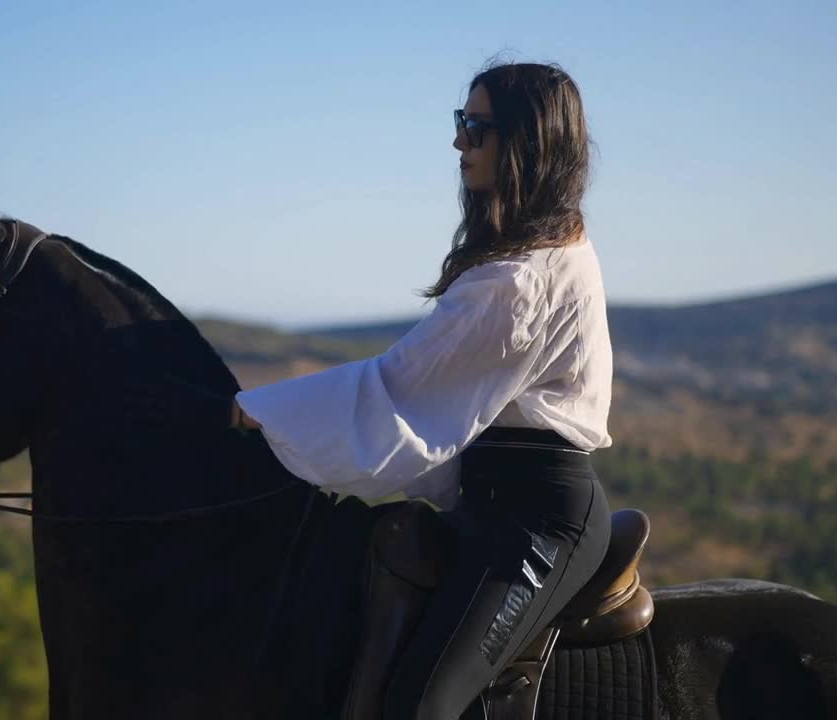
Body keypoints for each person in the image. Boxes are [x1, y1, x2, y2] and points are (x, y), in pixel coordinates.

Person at [125, 60, 613, 720]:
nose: (457, 143)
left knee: (422, 704)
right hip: (494, 498)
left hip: (538, 524)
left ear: (528, 139)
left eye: (475, 127)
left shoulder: (521, 283)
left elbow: (398, 392)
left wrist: (254, 414)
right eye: (459, 123)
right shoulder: (532, 252)